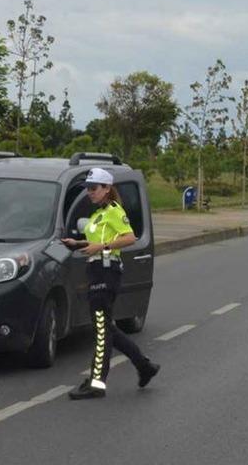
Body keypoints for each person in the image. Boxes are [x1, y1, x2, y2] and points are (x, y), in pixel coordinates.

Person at [62, 167, 160, 400]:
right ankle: (144, 366)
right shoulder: (98, 214)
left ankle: (97, 383)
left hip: (106, 272)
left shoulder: (115, 211)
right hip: (95, 270)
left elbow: (129, 237)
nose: (90, 193)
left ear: (107, 189)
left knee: (101, 329)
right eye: (88, 189)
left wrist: (101, 247)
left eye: (94, 188)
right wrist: (77, 243)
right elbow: (98, 239)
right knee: (107, 328)